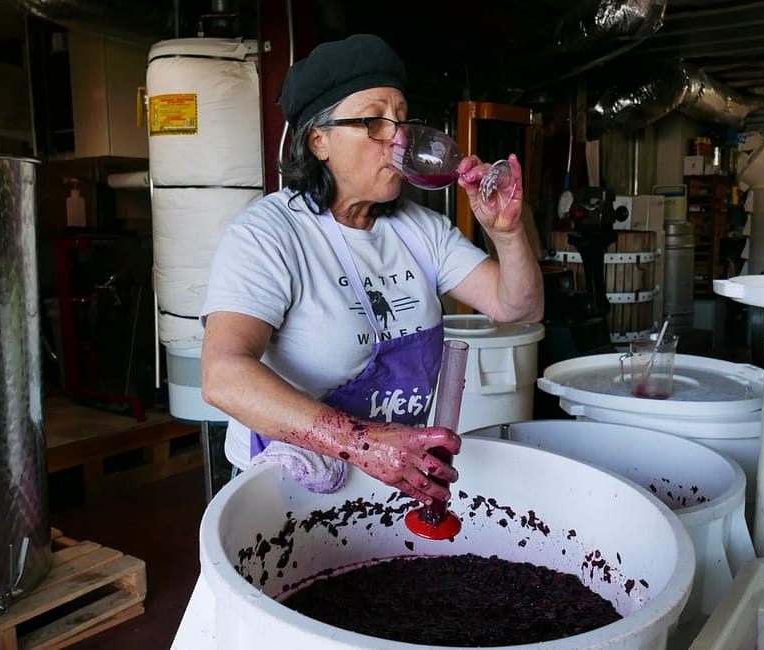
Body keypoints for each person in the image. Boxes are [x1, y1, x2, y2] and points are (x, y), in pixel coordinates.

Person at [199, 33, 544, 508]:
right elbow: (223, 375)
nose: (398, 139)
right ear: (319, 141)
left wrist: (505, 233)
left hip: (395, 475)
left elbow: (519, 307)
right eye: (374, 122)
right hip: (289, 486)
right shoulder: (269, 233)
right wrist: (363, 443)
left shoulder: (422, 229)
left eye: (402, 121)